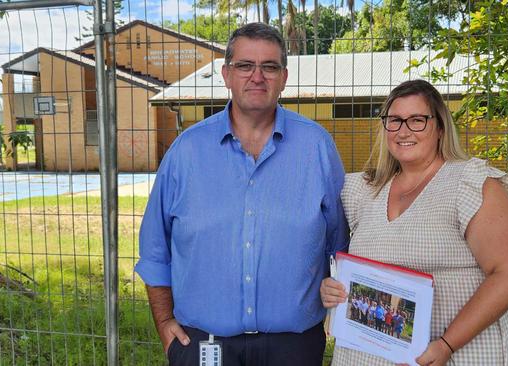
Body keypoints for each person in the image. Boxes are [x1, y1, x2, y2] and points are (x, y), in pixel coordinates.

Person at [135, 22, 348, 366]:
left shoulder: (317, 147)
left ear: (284, 77)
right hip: (203, 345)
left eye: (269, 67)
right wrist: (164, 325)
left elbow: (342, 243)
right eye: (245, 66)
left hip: (294, 348)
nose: (257, 76)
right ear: (226, 74)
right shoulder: (186, 151)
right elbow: (155, 249)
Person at [320, 79, 508, 365]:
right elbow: (339, 260)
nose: (404, 131)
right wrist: (332, 285)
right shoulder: (364, 190)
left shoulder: (469, 183)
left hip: (459, 352)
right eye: (394, 120)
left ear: (440, 126)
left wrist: (447, 344)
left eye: (417, 120)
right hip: (371, 354)